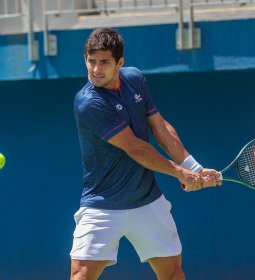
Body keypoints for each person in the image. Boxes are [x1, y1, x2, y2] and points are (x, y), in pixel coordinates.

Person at [70, 27, 221, 280]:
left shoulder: (135, 79)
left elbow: (159, 126)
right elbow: (136, 148)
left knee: (173, 274)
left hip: (147, 200)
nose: (96, 69)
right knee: (81, 276)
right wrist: (180, 174)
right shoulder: (89, 103)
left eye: (104, 62)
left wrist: (193, 168)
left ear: (120, 62)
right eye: (91, 61)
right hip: (103, 204)